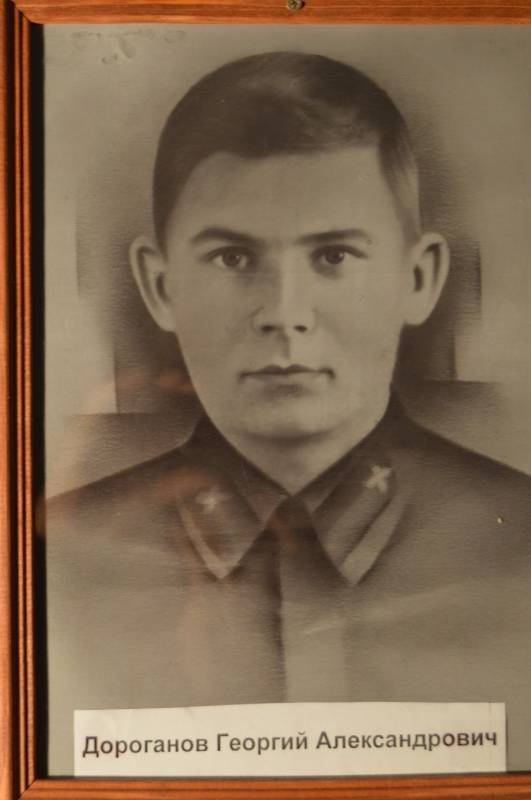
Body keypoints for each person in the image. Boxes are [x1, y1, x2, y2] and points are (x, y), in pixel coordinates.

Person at [45, 51, 531, 775]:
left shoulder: (519, 544)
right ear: (159, 286)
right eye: (233, 259)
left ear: (419, 277)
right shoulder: (50, 564)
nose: (284, 314)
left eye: (333, 256)